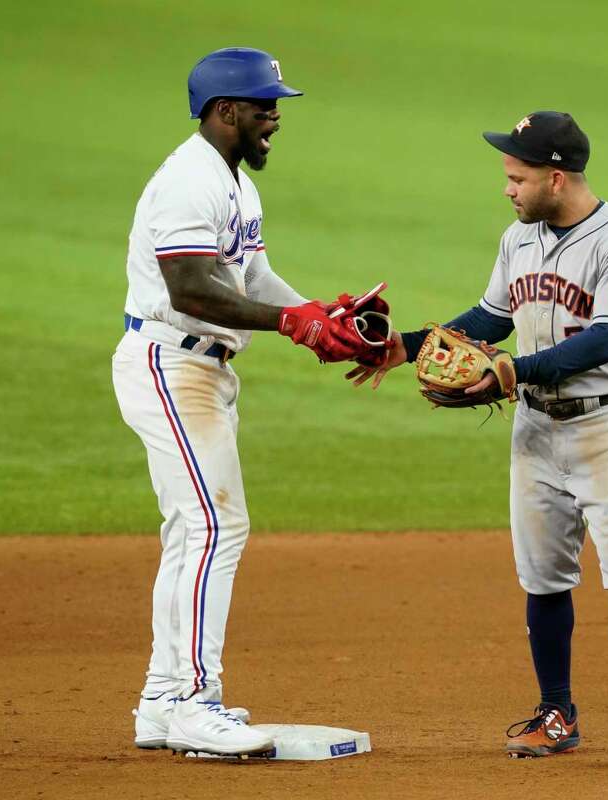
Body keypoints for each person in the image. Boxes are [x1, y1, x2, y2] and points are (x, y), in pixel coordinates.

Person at [348, 111, 608, 760]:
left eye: (517, 176)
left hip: (607, 426)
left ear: (555, 179)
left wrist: (509, 371)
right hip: (535, 429)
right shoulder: (517, 239)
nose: (507, 187)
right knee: (543, 578)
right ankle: (556, 714)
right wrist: (403, 348)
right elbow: (489, 319)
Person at [112, 47, 369, 758]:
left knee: (190, 531)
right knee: (215, 527)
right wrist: (292, 324)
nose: (276, 120)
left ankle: (163, 699)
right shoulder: (186, 183)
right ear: (225, 112)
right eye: (265, 107)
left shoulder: (233, 182)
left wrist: (320, 321)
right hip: (171, 364)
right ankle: (197, 701)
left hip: (198, 370)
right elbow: (190, 290)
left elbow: (249, 277)